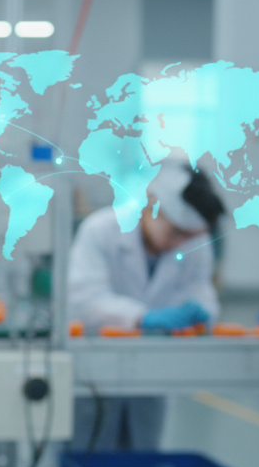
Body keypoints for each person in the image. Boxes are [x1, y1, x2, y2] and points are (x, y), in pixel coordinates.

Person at [67, 162, 225, 451]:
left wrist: (201, 311)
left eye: (186, 238)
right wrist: (142, 318)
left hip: (153, 366)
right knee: (89, 452)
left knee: (143, 453)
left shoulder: (194, 241)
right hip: (96, 364)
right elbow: (84, 298)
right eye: (174, 233)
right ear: (152, 205)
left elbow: (201, 291)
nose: (178, 244)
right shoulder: (101, 230)